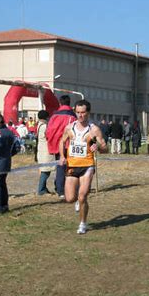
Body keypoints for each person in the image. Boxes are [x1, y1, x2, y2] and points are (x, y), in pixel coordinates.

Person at [58, 99, 107, 234]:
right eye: (78, 112)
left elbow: (104, 148)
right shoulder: (69, 127)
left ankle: (82, 224)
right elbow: (61, 142)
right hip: (72, 166)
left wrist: (98, 147)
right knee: (69, 198)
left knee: (82, 196)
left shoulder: (94, 129)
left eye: (83, 112)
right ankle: (77, 202)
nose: (80, 115)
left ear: (88, 113)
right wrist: (62, 156)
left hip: (87, 166)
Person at [0, 113, 20, 214]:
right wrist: (8, 155)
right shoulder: (10, 133)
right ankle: (4, 205)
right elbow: (17, 148)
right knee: (2, 184)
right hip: (6, 162)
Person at [45, 95, 77, 198]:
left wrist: (51, 142)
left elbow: (49, 131)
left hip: (57, 145)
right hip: (69, 144)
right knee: (69, 167)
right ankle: (65, 188)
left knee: (60, 167)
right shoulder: (73, 117)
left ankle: (60, 189)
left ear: (60, 103)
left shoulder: (54, 116)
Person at [35, 110, 55, 195]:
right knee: (46, 171)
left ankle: (43, 188)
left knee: (45, 169)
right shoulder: (44, 126)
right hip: (45, 150)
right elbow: (49, 136)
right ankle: (41, 189)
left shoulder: (39, 125)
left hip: (41, 150)